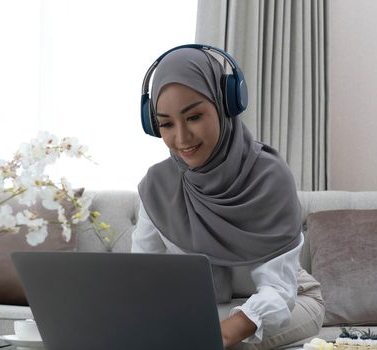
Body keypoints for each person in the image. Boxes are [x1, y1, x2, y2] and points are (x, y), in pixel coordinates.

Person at [133, 45, 324, 349]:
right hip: (210, 309)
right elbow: (140, 280)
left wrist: (221, 334)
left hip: (288, 302)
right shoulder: (157, 186)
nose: (181, 138)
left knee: (233, 343)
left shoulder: (269, 177)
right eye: (167, 124)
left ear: (225, 104)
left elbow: (278, 291)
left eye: (194, 117)